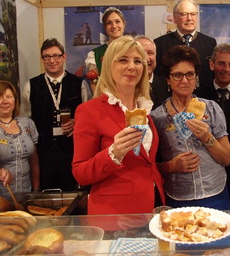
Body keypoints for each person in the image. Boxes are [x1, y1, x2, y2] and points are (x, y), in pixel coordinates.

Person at [72, 36, 165, 216]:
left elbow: (147, 163)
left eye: (138, 61)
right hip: (115, 214)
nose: (132, 66)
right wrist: (114, 153)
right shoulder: (89, 111)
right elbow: (80, 174)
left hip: (152, 207)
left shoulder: (144, 109)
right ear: (108, 65)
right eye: (123, 60)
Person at [151, 45, 230, 210]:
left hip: (215, 193)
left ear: (196, 77)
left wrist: (206, 137)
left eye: (190, 74)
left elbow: (227, 159)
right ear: (168, 79)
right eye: (177, 75)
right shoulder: (156, 117)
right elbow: (150, 167)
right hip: (178, 197)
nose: (185, 80)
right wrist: (172, 166)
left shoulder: (211, 108)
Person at [21, 38, 91, 192]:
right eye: (47, 56)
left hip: (73, 153)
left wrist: (77, 123)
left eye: (56, 56)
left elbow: (89, 120)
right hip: (43, 156)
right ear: (42, 59)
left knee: (74, 198)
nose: (52, 60)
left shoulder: (80, 84)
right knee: (47, 202)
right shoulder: (30, 86)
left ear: (64, 57)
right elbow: (26, 121)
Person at [195, 43, 230, 209]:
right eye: (221, 63)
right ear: (212, 64)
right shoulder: (198, 97)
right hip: (208, 174)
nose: (226, 69)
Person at [0, 80, 38, 204]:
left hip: (26, 196)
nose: (5, 101)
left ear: (15, 100)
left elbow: (34, 160)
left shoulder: (27, 123)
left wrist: (36, 188)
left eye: (9, 96)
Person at [154, 0, 217, 87]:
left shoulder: (210, 43)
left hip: (203, 98)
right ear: (174, 18)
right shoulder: (160, 44)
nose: (189, 18)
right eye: (184, 14)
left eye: (193, 14)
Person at [85, 7, 126, 91]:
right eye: (109, 23)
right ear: (105, 27)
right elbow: (94, 82)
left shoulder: (135, 49)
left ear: (124, 24)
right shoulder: (95, 54)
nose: (114, 26)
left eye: (117, 21)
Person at [135, 35, 170, 110]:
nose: (147, 59)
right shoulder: (125, 87)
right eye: (141, 53)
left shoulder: (168, 86)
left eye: (150, 53)